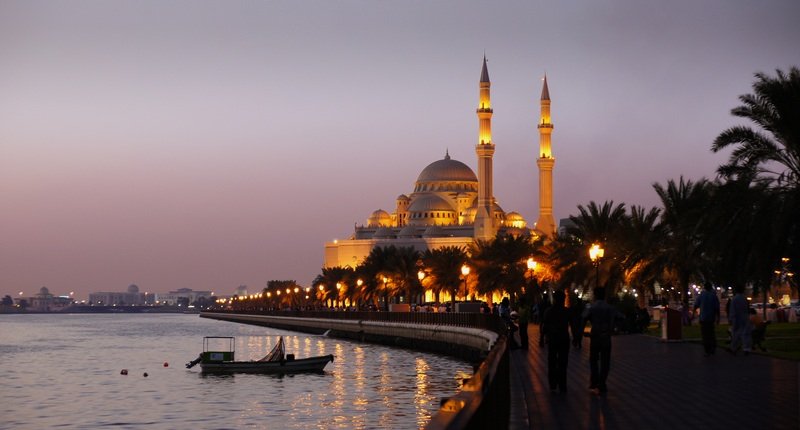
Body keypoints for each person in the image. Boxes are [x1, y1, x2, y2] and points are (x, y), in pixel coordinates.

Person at [582, 287, 621, 395]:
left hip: (594, 336)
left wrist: (581, 333)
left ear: (595, 295)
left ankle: (594, 381)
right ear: (604, 295)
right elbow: (620, 317)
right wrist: (614, 328)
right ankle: (602, 383)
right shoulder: (610, 308)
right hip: (606, 336)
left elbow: (583, 318)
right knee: (605, 361)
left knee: (593, 360)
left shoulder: (590, 307)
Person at [542, 290, 570, 393]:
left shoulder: (549, 311)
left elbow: (544, 326)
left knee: (552, 362)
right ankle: (562, 384)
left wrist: (543, 337)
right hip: (563, 339)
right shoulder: (566, 311)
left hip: (553, 339)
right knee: (563, 362)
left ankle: (553, 384)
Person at [693, 281, 720, 356]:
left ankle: (707, 350)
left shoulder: (702, 295)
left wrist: (693, 314)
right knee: (711, 333)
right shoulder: (714, 296)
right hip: (711, 317)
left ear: (704, 287)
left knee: (705, 334)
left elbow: (696, 305)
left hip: (703, 318)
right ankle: (712, 348)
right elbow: (717, 308)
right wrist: (718, 318)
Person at [728, 286, 751, 355]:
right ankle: (746, 348)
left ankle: (734, 348)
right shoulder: (744, 298)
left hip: (737, 318)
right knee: (745, 333)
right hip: (745, 317)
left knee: (735, 334)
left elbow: (732, 310)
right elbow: (747, 308)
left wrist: (731, 318)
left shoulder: (734, 299)